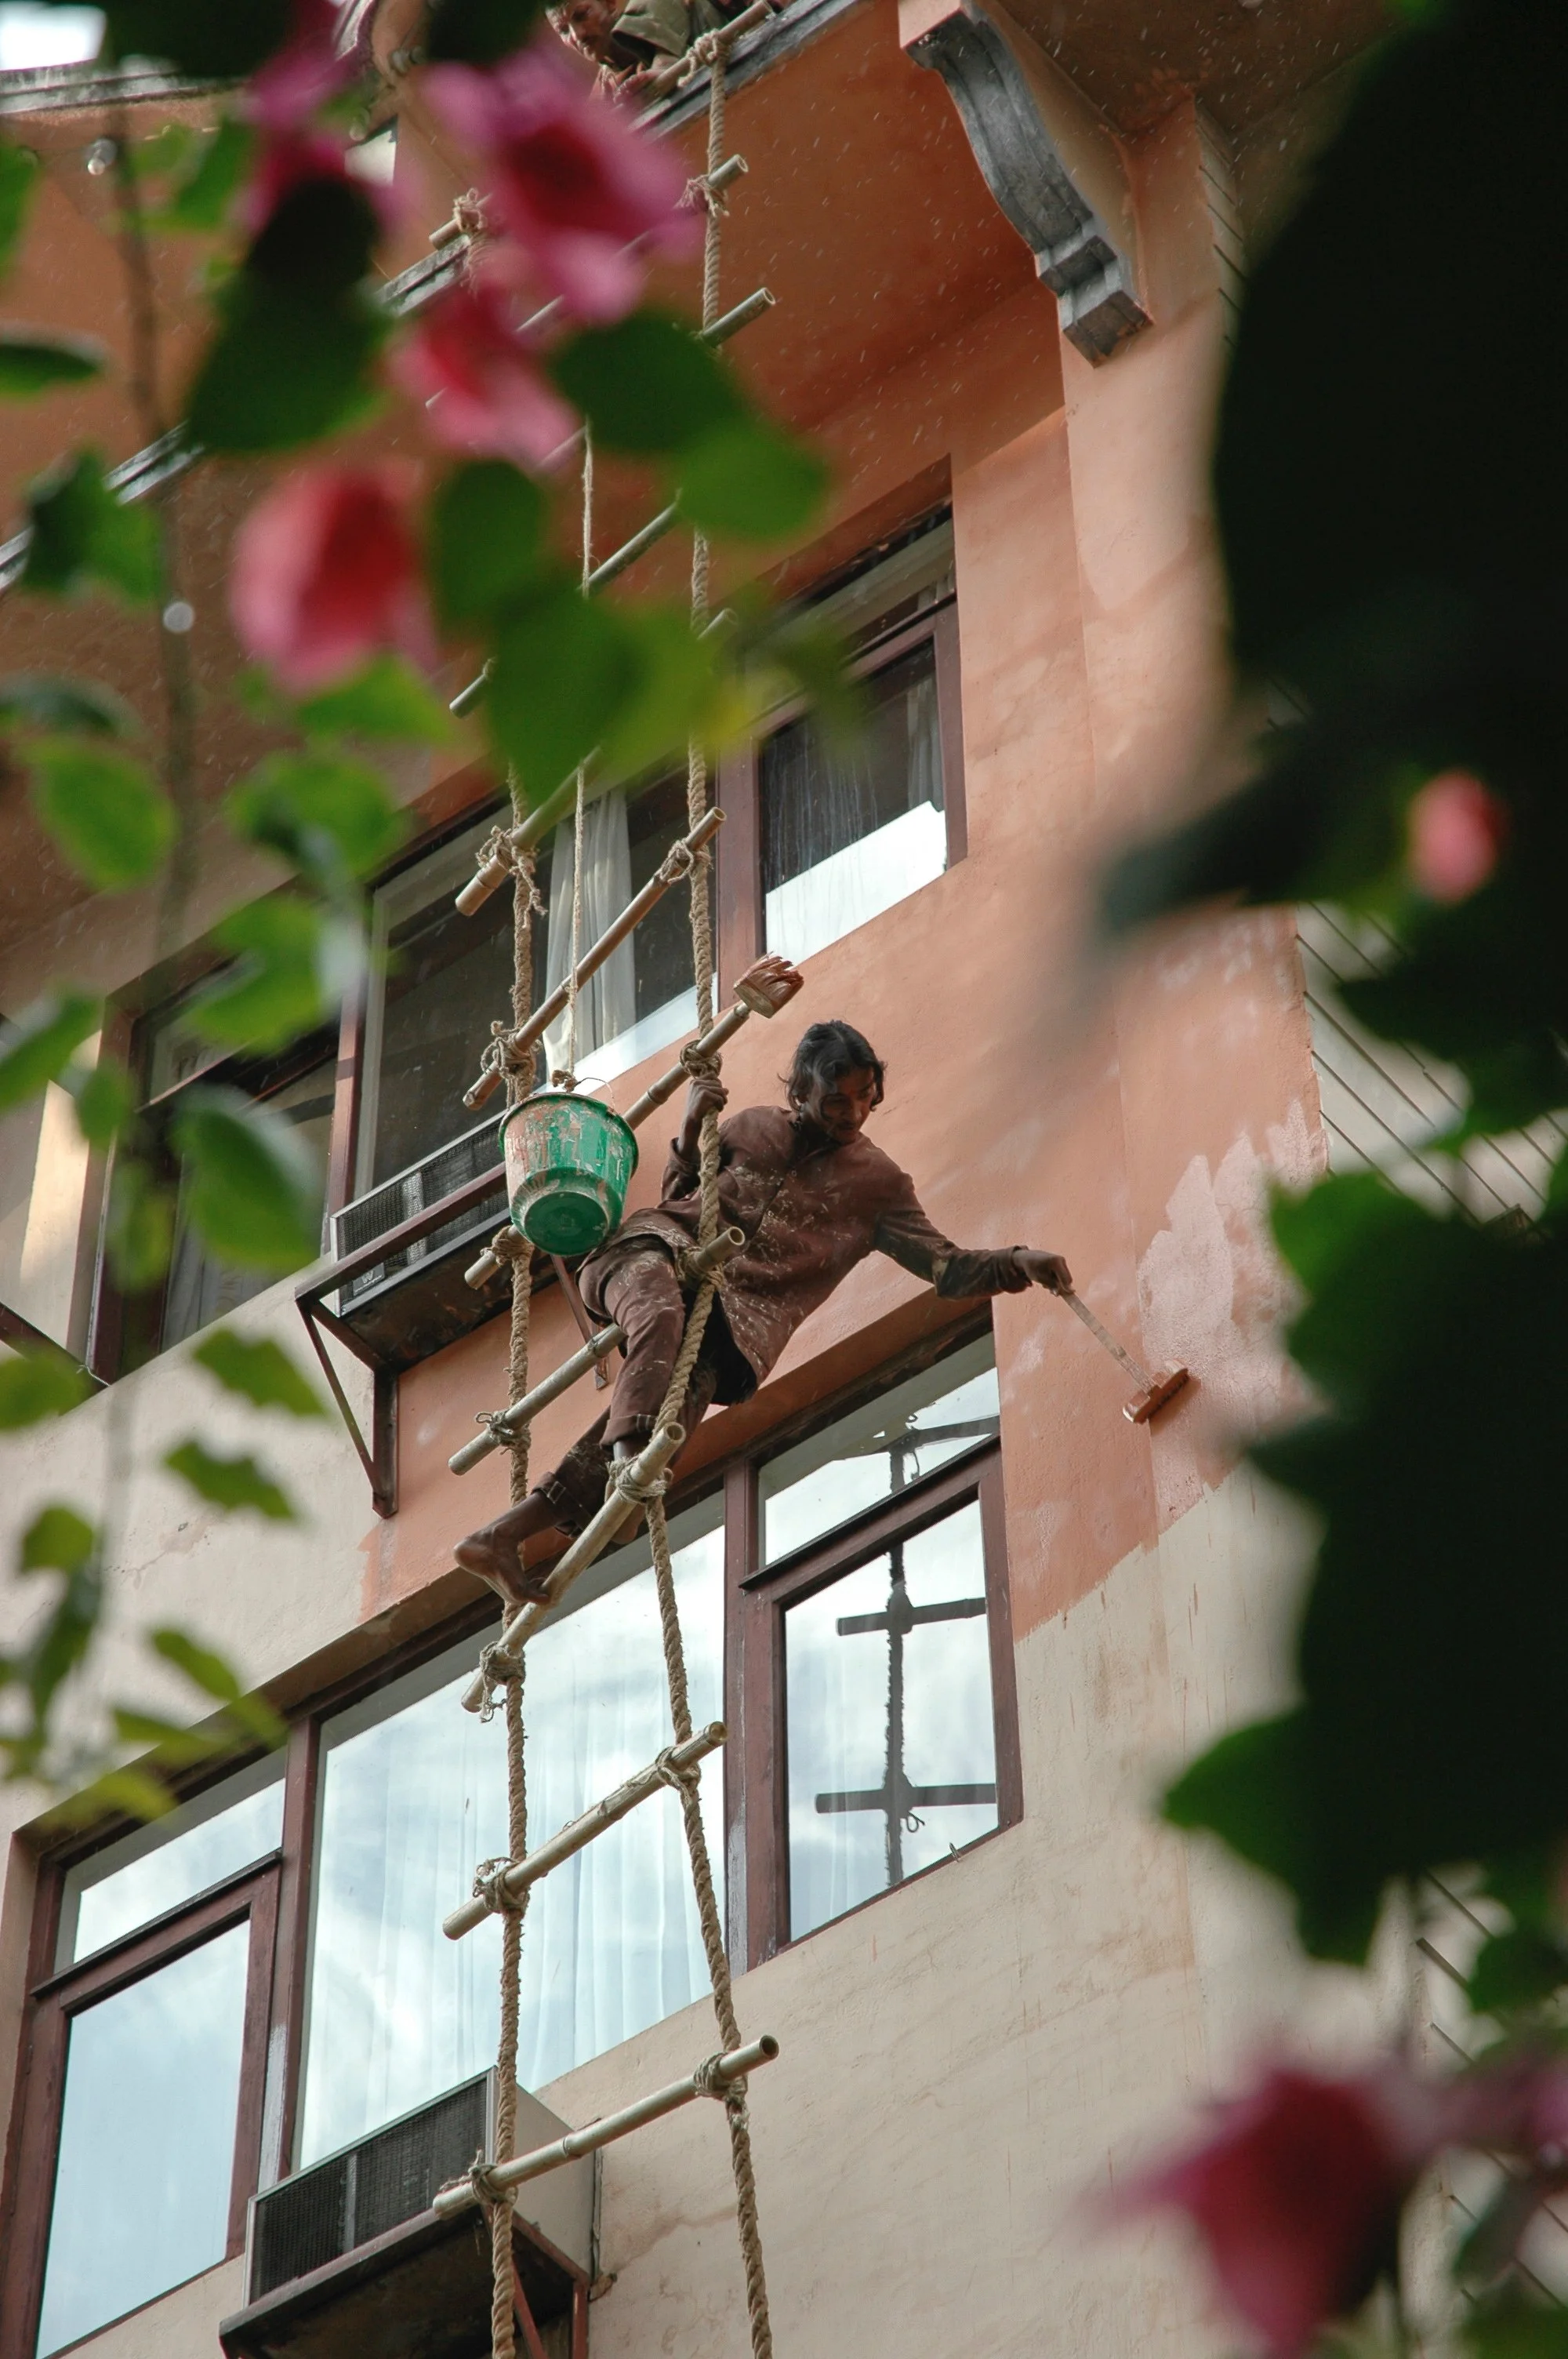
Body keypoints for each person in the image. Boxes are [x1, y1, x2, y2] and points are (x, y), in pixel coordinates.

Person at [456, 988, 1073, 1607]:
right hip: (653, 1250)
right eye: (836, 1100)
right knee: (661, 1319)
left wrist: (1018, 1263)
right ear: (800, 1091)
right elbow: (680, 1192)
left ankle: (502, 1535)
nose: (852, 1114)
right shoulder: (753, 1125)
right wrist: (692, 1125)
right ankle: (627, 1463)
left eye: (865, 1099)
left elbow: (947, 1268)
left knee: (666, 1422)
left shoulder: (879, 1186)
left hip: (730, 1335)